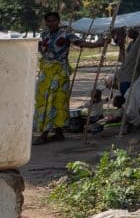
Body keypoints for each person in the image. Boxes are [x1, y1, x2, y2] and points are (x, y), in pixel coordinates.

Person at [33, 12, 106, 144]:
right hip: (45, 72)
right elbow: (40, 49)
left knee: (56, 101)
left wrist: (99, 44)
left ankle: (44, 134)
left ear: (58, 21)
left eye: (54, 20)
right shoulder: (43, 34)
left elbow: (81, 43)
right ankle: (59, 132)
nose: (51, 23)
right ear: (46, 22)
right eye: (49, 21)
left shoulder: (66, 34)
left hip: (59, 72)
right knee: (44, 101)